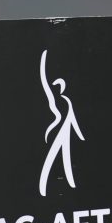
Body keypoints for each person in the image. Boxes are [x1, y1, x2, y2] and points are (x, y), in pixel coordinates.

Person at [38, 49, 85, 197]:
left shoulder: (65, 102)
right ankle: (48, 187)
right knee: (56, 161)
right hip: (62, 132)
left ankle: (66, 185)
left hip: (65, 131)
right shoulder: (62, 103)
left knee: (63, 162)